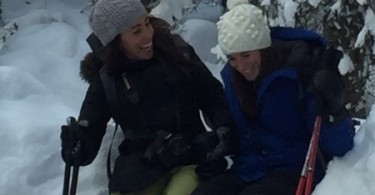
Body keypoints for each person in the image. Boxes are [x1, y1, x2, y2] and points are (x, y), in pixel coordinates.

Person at [60, 0, 236, 194]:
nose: (148, 34)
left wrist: (224, 126)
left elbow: (212, 94)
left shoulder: (177, 53)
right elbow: (90, 128)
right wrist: (77, 144)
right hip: (139, 168)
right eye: (136, 31)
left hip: (192, 154)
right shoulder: (107, 78)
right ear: (115, 41)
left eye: (147, 23)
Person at [191, 1, 355, 195]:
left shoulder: (298, 73)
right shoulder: (233, 78)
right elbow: (243, 134)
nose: (241, 66)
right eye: (232, 58)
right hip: (250, 169)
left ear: (262, 47)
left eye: (246, 55)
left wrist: (334, 110)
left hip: (295, 168)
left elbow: (340, 145)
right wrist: (223, 139)